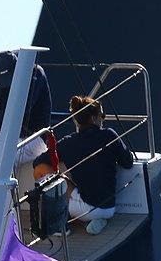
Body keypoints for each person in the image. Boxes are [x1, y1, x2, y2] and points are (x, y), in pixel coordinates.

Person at [55, 96, 133, 235]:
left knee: (56, 177)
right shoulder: (109, 135)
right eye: (102, 116)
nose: (103, 119)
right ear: (93, 118)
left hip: (81, 210)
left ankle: (62, 226)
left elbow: (40, 161)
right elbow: (128, 162)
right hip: (109, 209)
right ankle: (98, 219)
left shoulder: (67, 143)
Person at [0, 50, 53, 179]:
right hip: (8, 136)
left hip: (33, 138)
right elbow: (0, 110)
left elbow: (20, 113)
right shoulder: (2, 74)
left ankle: (5, 198)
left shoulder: (35, 74)